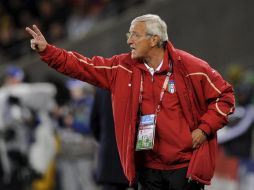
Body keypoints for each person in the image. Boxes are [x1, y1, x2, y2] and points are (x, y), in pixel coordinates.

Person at [25, 14, 235, 190]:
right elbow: (83, 66)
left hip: (184, 168)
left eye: (135, 35)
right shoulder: (122, 68)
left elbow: (225, 97)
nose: (129, 41)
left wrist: (204, 129)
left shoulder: (190, 67)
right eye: (129, 34)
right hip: (146, 169)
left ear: (154, 40)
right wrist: (47, 51)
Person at [90, 88, 136, 190]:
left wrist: (104, 141)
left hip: (109, 159)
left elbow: (94, 124)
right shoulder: (139, 84)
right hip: (134, 158)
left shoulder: (102, 89)